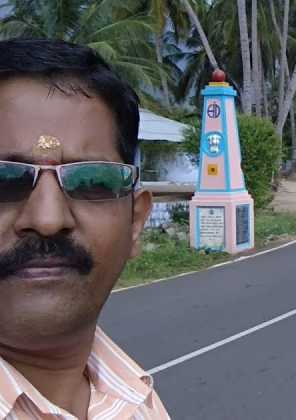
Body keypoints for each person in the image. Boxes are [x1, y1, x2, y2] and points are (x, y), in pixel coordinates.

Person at [0, 39, 169, 419]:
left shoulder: (137, 401)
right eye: (4, 181)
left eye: (92, 181)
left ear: (135, 222)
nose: (47, 220)